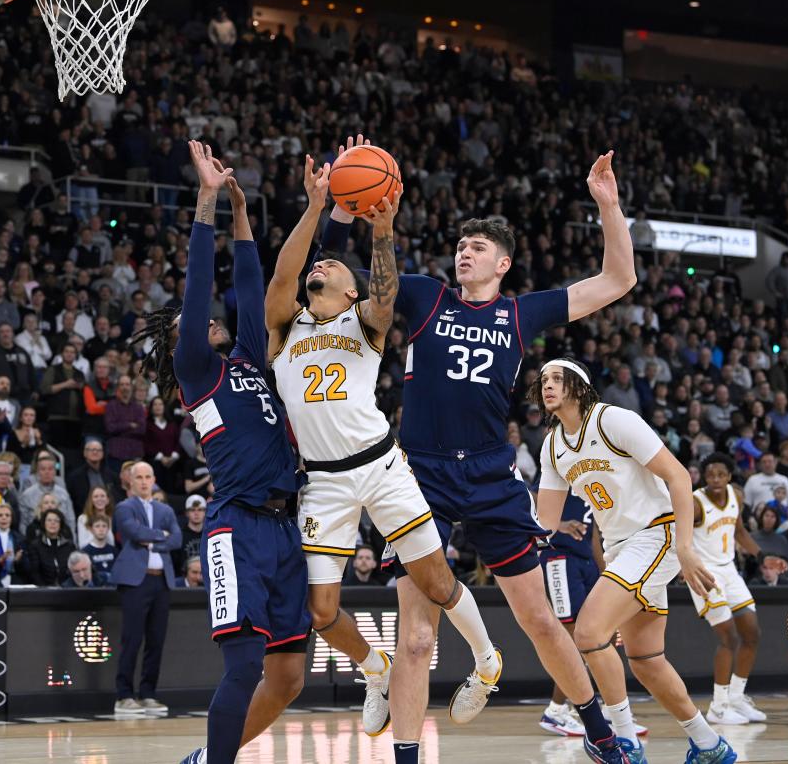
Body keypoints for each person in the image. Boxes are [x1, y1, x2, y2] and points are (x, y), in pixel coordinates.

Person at [321, 144, 628, 762]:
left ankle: (599, 732)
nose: (465, 252)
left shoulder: (520, 314)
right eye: (462, 246)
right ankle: (406, 755)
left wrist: (609, 206)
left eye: (479, 247)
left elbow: (617, 281)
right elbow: (340, 268)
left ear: (504, 263)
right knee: (416, 636)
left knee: (540, 620)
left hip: (491, 474)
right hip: (420, 476)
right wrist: (343, 204)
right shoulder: (424, 297)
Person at [269, 152, 499, 741]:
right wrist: (317, 206)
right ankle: (376, 671)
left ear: (349, 293)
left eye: (331, 267)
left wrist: (384, 229)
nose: (320, 265)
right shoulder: (285, 329)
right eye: (316, 265)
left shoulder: (363, 326)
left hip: (380, 467)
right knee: (320, 612)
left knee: (438, 583)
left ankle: (487, 659)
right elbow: (281, 276)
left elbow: (386, 291)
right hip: (323, 482)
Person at [131, 145, 313, 764]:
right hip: (236, 529)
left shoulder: (247, 361)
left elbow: (249, 282)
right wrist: (206, 200)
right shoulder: (196, 370)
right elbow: (201, 286)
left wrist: (242, 213)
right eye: (200, 322)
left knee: (288, 677)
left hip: (286, 529)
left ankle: (208, 756)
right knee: (242, 669)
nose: (212, 320)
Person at [533, 359, 736, 763]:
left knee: (589, 633)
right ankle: (710, 745)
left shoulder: (614, 421)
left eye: (557, 378)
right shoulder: (553, 446)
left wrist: (685, 547)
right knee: (645, 659)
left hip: (655, 535)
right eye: (543, 381)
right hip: (619, 549)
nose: (547, 386)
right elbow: (545, 524)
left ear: (579, 385)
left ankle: (623, 740)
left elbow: (679, 477)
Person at [689, 453, 765, 725]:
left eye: (721, 474)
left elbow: (740, 531)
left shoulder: (737, 497)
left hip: (729, 570)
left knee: (752, 633)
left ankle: (735, 698)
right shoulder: (695, 503)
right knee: (729, 637)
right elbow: (679, 537)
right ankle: (718, 707)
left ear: (730, 476)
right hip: (704, 573)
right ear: (704, 477)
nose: (716, 480)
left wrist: (762, 556)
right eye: (711, 475)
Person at [536, 487, 614, 738]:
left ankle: (612, 710)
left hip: (586, 563)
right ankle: (555, 711)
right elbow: (527, 507)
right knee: (574, 641)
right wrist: (558, 524)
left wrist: (607, 576)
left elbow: (593, 538)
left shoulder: (589, 484)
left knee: (601, 636)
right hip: (559, 560)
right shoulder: (555, 477)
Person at [112, 461, 181, 717]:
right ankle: (124, 695)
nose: (143, 481)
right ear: (130, 481)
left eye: (147, 476)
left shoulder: (165, 509)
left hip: (161, 580)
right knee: (132, 638)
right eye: (138, 477)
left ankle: (148, 693)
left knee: (156, 639)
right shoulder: (124, 506)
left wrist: (151, 541)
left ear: (153, 479)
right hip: (135, 581)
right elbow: (132, 531)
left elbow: (176, 539)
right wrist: (160, 536)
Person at [21, 508, 75, 586]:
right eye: (49, 520)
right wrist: (45, 590)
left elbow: (72, 570)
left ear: (61, 524)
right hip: (43, 590)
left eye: (56, 521)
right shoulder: (35, 545)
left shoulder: (69, 545)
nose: (52, 523)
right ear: (44, 523)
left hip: (66, 588)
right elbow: (35, 572)